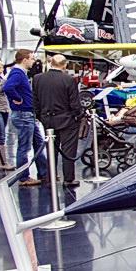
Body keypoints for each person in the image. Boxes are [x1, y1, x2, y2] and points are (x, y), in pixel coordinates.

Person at [33, 54, 82, 188]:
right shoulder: (69, 80)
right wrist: (78, 115)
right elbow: (74, 103)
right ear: (64, 65)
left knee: (51, 149)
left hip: (47, 120)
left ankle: (51, 177)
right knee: (68, 150)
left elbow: (35, 101)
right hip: (66, 119)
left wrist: (39, 116)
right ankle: (69, 179)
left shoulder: (37, 79)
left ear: (51, 63)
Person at [3, 49, 47, 186]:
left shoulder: (20, 73)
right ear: (25, 59)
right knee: (24, 147)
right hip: (23, 114)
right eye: (32, 59)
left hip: (27, 114)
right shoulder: (17, 73)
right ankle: (23, 177)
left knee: (38, 143)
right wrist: (17, 99)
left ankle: (44, 173)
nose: (34, 61)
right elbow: (8, 87)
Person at [0, 60, 15, 170]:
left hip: (3, 109)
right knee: (0, 134)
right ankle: (3, 162)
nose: (1, 70)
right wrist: (4, 81)